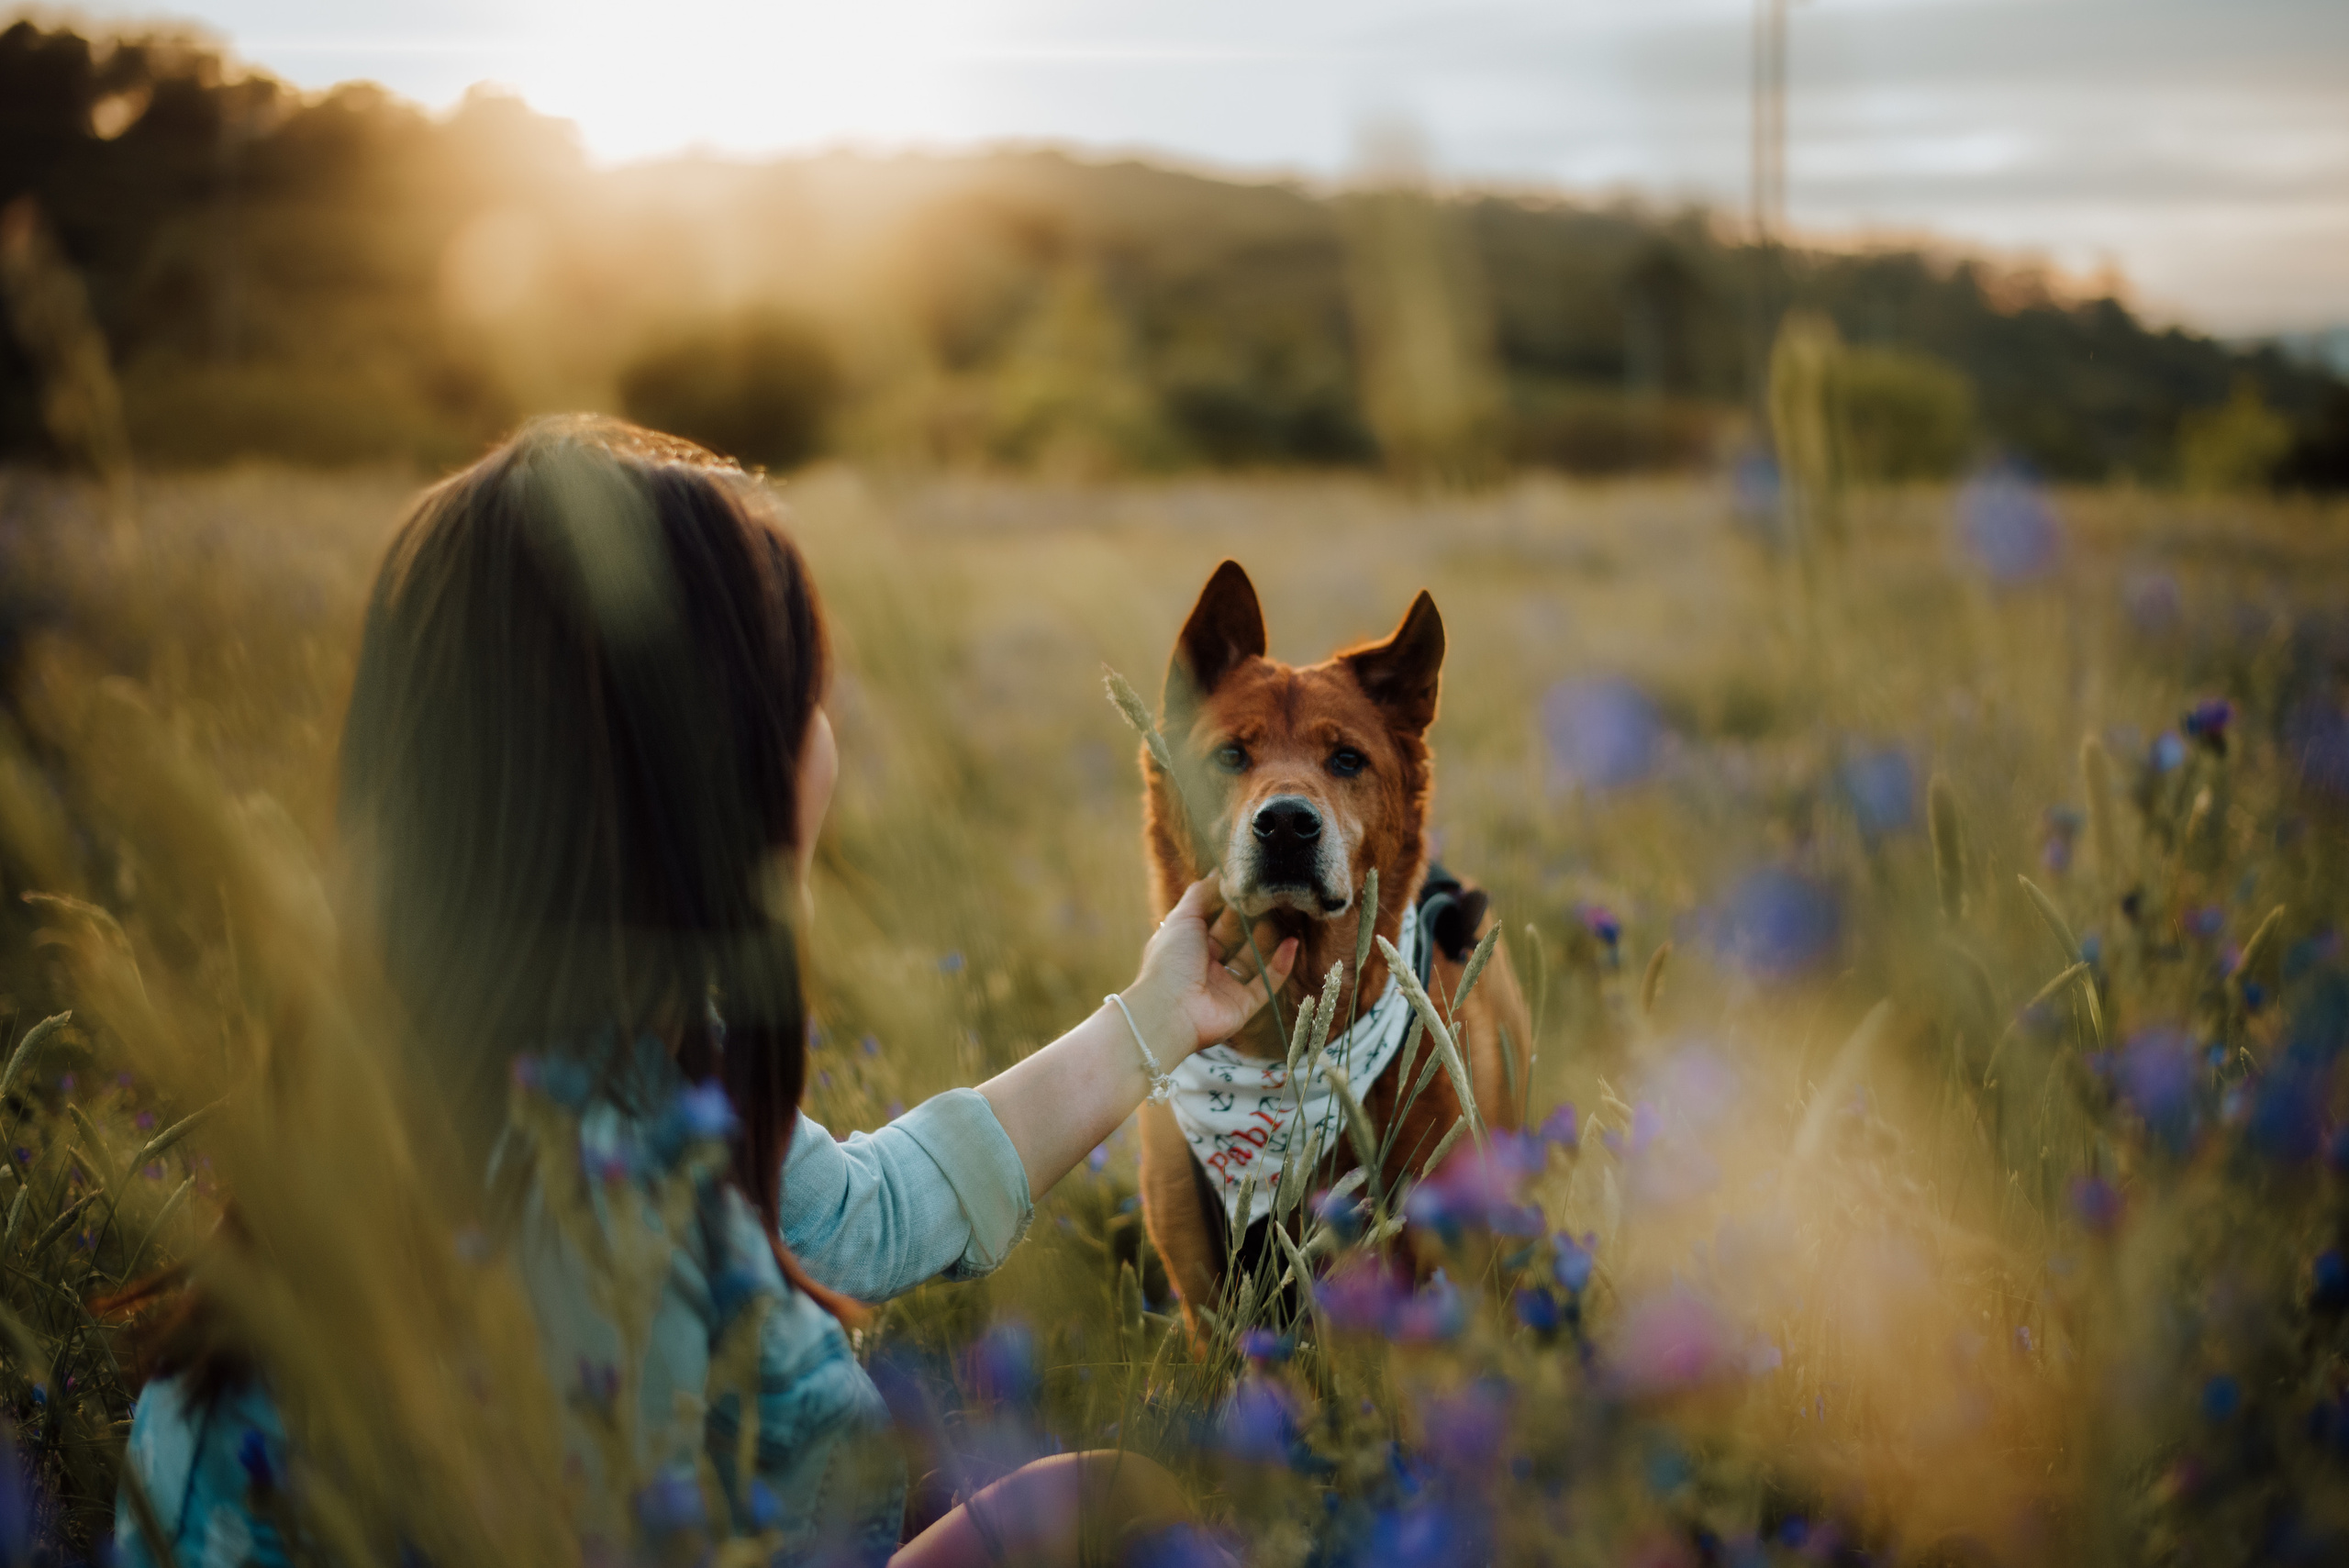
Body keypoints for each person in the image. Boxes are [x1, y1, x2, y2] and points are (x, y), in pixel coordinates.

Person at [112, 417, 1296, 1567]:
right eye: (807, 699)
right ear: (704, 777)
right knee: (1099, 1503)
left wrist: (1153, 1023)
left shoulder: (433, 1070)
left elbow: (858, 1213)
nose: (830, 740)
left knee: (967, 1479)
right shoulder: (646, 1252)